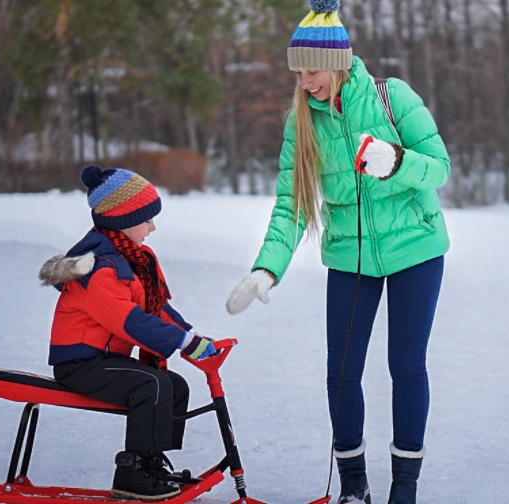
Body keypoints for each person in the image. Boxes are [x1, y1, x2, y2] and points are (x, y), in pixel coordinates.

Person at [225, 1, 450, 503]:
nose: (305, 82)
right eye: (298, 72)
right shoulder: (302, 124)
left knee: (406, 365)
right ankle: (354, 488)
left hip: (416, 248)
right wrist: (267, 268)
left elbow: (439, 167)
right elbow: (291, 205)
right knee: (342, 371)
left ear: (338, 62)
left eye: (312, 71)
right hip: (350, 257)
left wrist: (397, 161)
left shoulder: (394, 98)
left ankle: (404, 490)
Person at [39, 164, 217, 501]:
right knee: (151, 384)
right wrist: (180, 342)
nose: (153, 226)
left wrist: (193, 338)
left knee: (174, 386)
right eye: (147, 218)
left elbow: (155, 308)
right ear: (122, 220)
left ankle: (150, 462)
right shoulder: (99, 269)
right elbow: (129, 320)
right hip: (81, 364)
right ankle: (132, 471)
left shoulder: (129, 261)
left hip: (106, 361)